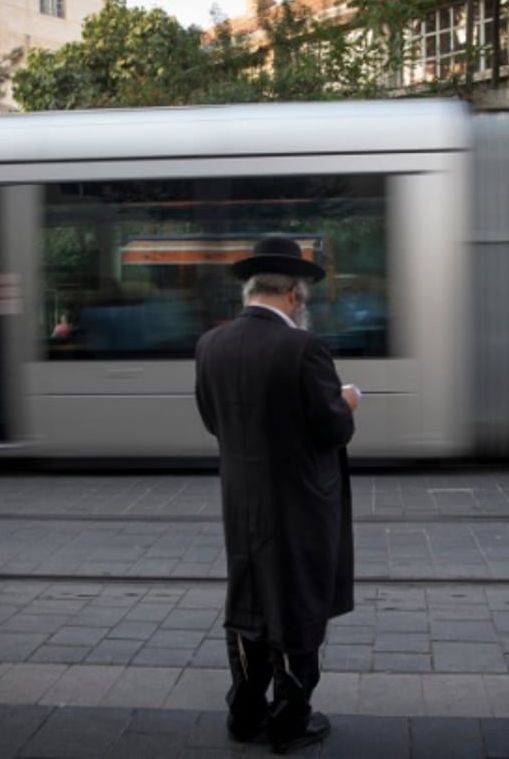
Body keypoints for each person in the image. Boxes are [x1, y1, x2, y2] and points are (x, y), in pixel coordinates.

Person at [194, 236, 360, 754]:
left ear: (251, 290)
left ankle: (245, 713)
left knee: (247, 598)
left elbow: (212, 421)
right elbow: (332, 429)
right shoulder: (304, 348)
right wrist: (346, 401)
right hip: (298, 504)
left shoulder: (210, 345)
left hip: (241, 501)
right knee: (296, 601)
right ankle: (290, 720)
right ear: (292, 294)